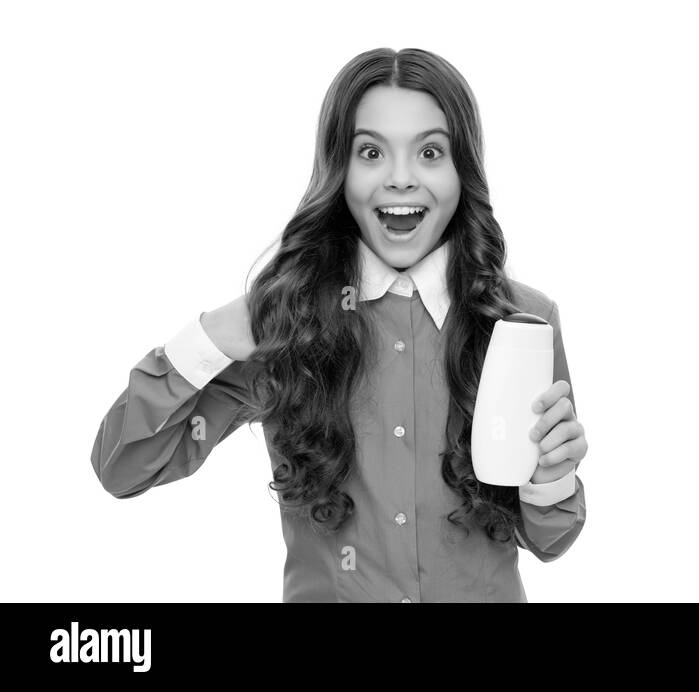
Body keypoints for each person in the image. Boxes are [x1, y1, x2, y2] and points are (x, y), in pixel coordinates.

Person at [90, 47, 589, 603]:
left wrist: (550, 477)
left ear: (461, 169)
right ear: (339, 169)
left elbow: (551, 539)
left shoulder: (523, 322)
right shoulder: (289, 322)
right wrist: (211, 337)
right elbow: (123, 467)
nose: (401, 179)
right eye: (371, 152)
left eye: (429, 151)